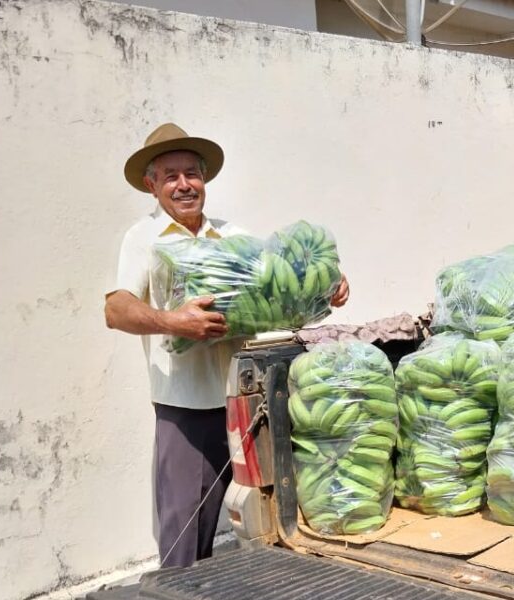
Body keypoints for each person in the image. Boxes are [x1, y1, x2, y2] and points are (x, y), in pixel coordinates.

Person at [104, 123, 349, 567]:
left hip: (246, 401)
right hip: (188, 410)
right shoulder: (143, 239)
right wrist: (174, 320)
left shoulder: (232, 236)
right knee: (185, 528)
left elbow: (279, 286)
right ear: (151, 184)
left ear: (204, 179)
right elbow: (116, 310)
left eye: (191, 174)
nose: (184, 185)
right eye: (171, 175)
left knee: (264, 514)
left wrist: (324, 284)